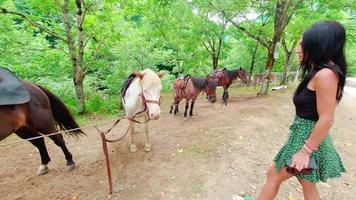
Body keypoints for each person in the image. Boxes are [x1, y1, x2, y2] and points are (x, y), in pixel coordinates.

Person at [257, 20, 347, 200]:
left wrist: (305, 151)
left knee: (273, 176)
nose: (298, 49)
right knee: (306, 181)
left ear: (318, 44)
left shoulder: (326, 75)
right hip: (304, 136)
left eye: (302, 44)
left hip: (305, 140)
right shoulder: (319, 72)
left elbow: (327, 118)